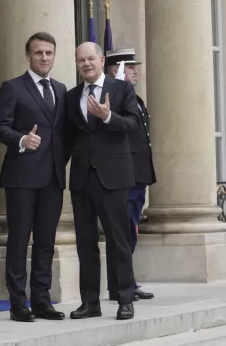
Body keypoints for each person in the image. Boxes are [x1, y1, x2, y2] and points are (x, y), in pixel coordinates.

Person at [0, 32, 67, 322]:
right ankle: (17, 303)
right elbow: (0, 127)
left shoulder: (61, 89)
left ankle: (42, 300)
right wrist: (22, 140)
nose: (44, 58)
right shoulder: (13, 87)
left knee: (46, 242)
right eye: (39, 53)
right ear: (28, 56)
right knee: (19, 240)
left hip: (52, 177)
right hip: (21, 177)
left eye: (49, 53)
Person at [65, 41, 139, 320]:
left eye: (91, 59)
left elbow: (133, 126)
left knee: (118, 240)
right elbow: (67, 140)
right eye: (81, 60)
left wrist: (108, 116)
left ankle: (124, 299)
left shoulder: (122, 90)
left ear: (102, 59)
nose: (86, 64)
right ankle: (89, 302)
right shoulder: (72, 97)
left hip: (113, 177)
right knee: (85, 243)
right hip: (82, 179)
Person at [105, 48, 155, 301]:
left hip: (139, 175)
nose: (136, 71)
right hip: (125, 175)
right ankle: (121, 285)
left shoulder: (136, 99)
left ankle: (127, 282)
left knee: (131, 230)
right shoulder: (112, 97)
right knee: (123, 232)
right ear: (116, 70)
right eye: (131, 66)